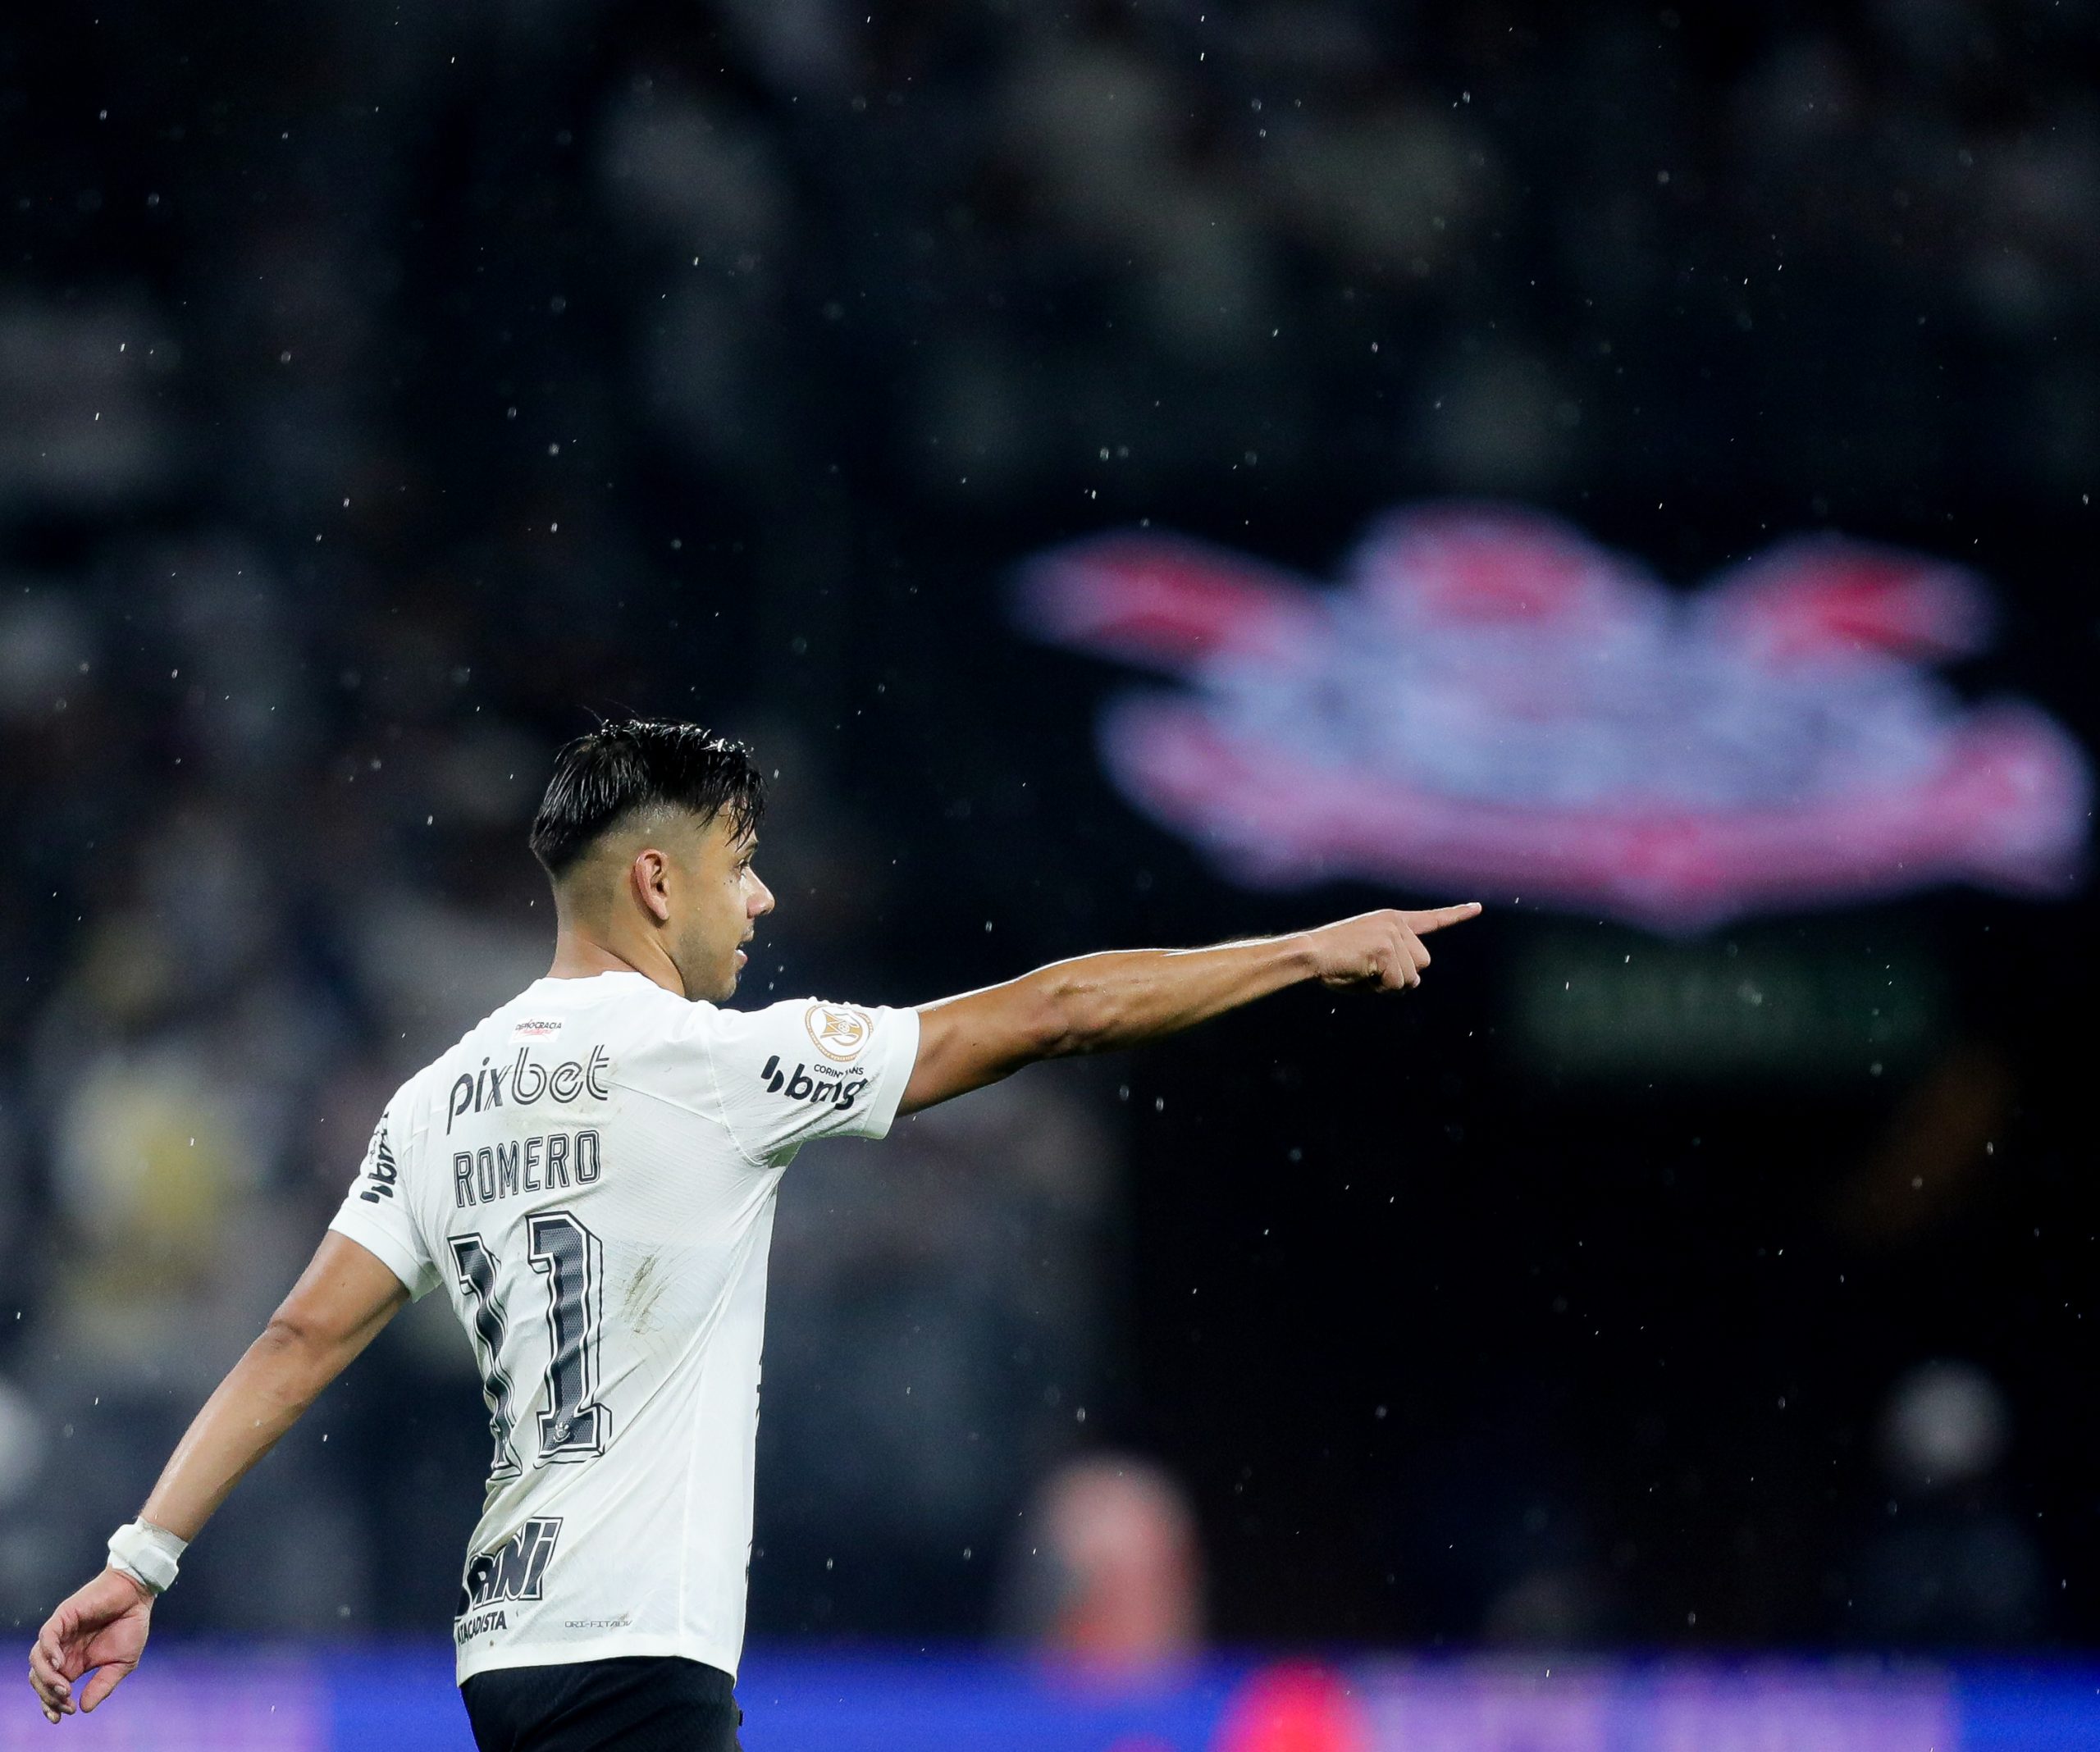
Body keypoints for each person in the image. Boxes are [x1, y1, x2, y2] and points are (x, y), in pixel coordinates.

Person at [26, 720, 1481, 1750]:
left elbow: (296, 1337)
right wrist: (1307, 949)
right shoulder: (717, 1067)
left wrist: (142, 1560)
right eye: (741, 863)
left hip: (506, 1655)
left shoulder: (438, 1100)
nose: (764, 898)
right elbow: (1057, 1012)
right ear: (656, 882)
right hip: (639, 1660)